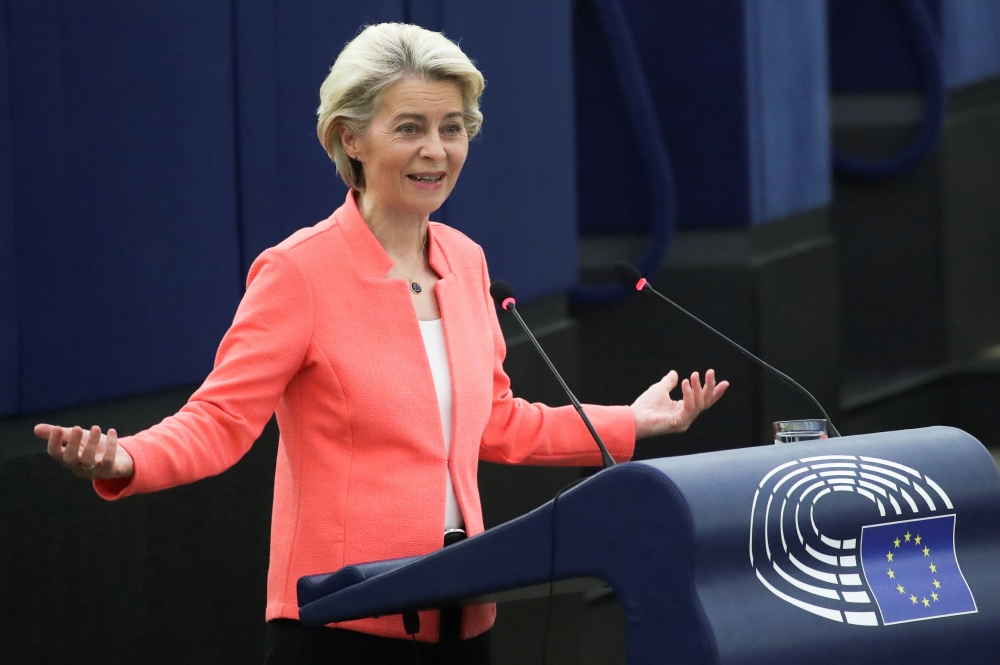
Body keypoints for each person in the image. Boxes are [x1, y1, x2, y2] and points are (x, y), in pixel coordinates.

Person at [34, 22, 727, 665]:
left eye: (452, 128)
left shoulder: (466, 260)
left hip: (465, 622)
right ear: (351, 139)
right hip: (344, 626)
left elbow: (499, 420)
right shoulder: (298, 272)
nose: (436, 149)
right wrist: (125, 458)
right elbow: (219, 422)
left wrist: (633, 421)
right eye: (410, 128)